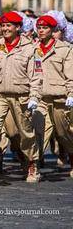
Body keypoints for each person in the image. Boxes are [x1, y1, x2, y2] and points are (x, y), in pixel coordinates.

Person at [0, 11, 42, 182]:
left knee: (25, 133)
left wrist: (34, 97)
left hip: (22, 96)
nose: (4, 29)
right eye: (3, 26)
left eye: (8, 26)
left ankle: (32, 163)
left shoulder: (31, 48)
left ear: (18, 27)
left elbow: (36, 75)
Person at [32, 15, 73, 176]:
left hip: (59, 98)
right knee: (38, 133)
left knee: (63, 134)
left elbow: (70, 74)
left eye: (45, 28)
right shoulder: (33, 48)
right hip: (41, 97)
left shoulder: (65, 49)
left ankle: (71, 155)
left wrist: (71, 93)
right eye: (39, 28)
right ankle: (33, 165)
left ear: (53, 30)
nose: (41, 31)